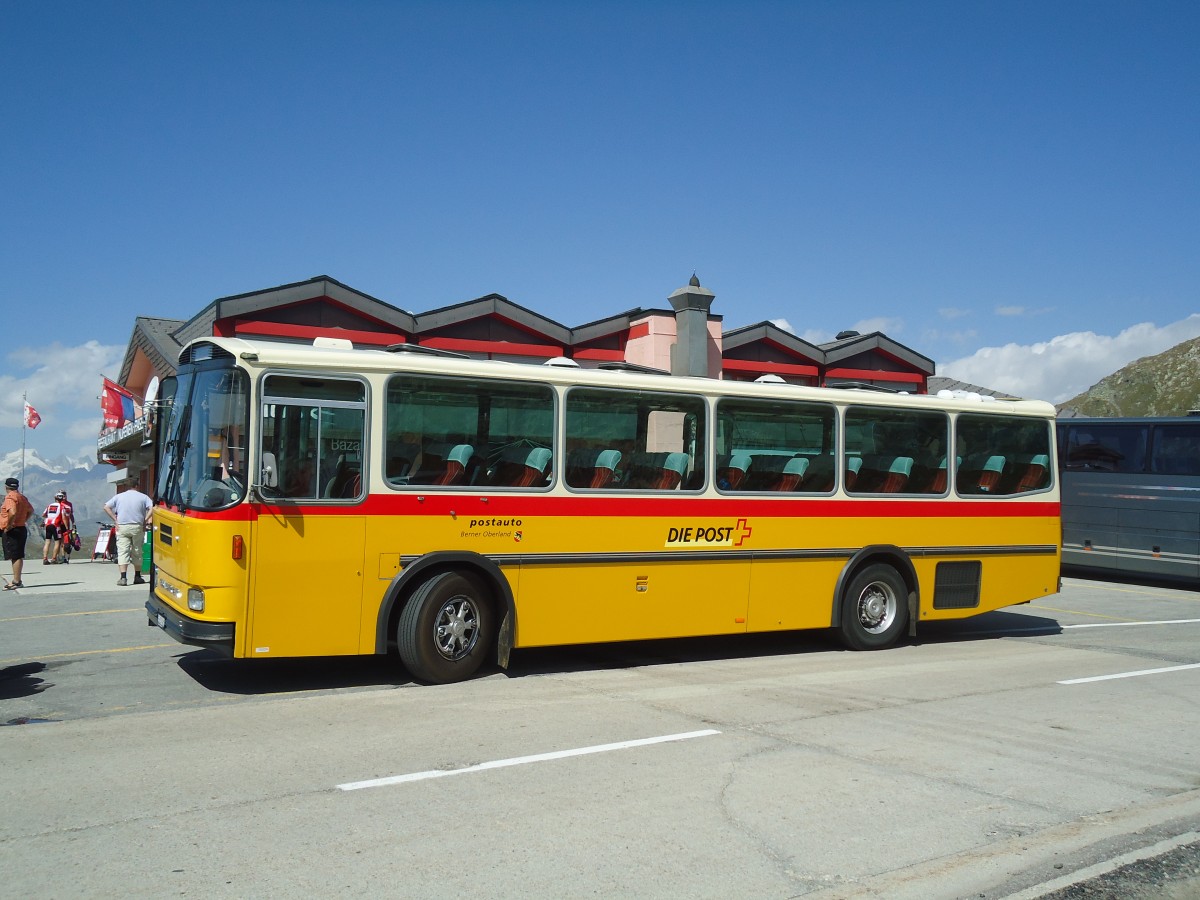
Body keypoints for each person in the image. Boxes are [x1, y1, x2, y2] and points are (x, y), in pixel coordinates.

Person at [103, 480, 153, 586]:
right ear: (137, 486)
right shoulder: (143, 497)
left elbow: (106, 506)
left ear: (127, 486)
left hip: (122, 526)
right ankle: (137, 576)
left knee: (122, 551)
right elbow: (152, 507)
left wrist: (115, 519)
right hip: (137, 526)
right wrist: (145, 519)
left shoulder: (119, 497)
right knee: (137, 550)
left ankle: (123, 577)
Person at [1, 477, 35, 590]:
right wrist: (24, 520)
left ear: (6, 487)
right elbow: (30, 510)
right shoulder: (22, 497)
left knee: (15, 556)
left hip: (12, 529)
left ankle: (16, 581)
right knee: (18, 554)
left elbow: (12, 511)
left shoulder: (10, 497)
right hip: (21, 528)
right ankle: (17, 580)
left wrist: (9, 525)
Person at [41, 490, 70, 564]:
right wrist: (66, 528)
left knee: (47, 542)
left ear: (55, 498)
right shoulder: (61, 506)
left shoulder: (49, 505)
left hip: (48, 525)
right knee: (57, 542)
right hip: (56, 526)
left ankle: (45, 558)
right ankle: (54, 559)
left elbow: (44, 515)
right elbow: (63, 518)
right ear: (61, 499)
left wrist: (48, 518)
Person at [56, 490, 76, 563]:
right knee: (59, 541)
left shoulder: (69, 504)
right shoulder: (58, 503)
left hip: (67, 524)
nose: (64, 496)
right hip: (58, 524)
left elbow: (71, 514)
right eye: (62, 495)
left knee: (66, 541)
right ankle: (58, 556)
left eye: (64, 494)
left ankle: (65, 557)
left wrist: (73, 522)